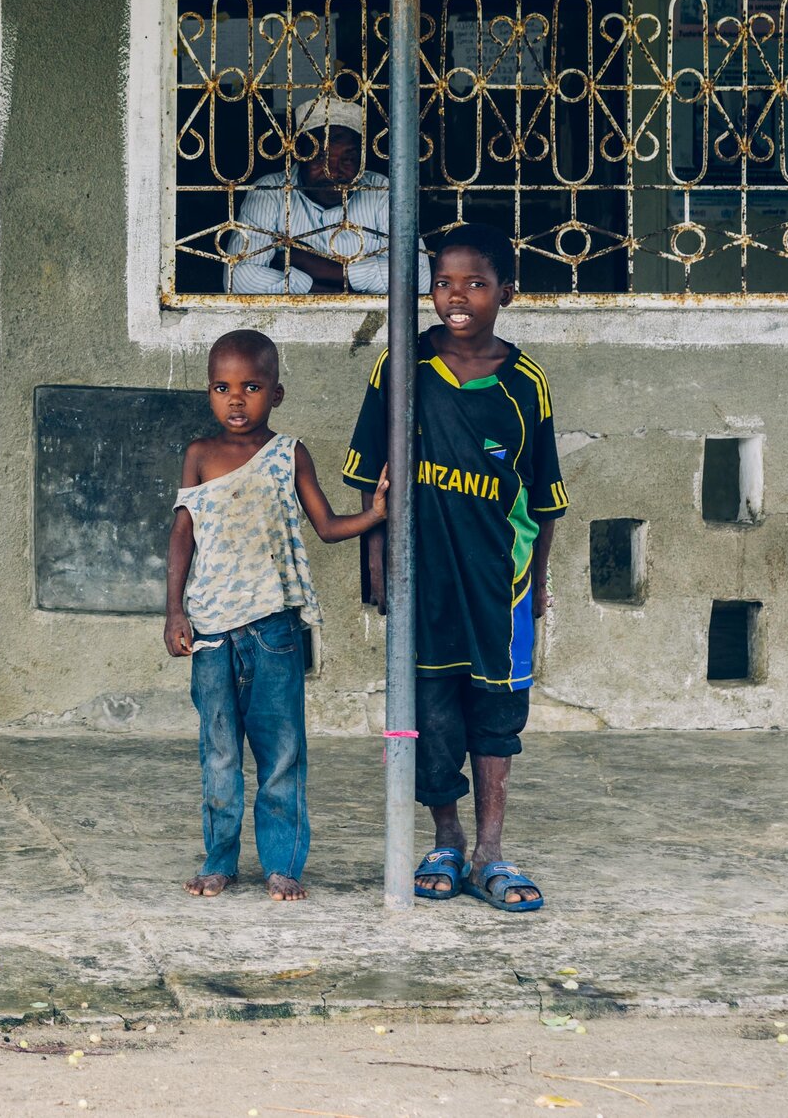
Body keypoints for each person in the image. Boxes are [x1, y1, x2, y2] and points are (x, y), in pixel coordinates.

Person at [343, 221, 567, 913]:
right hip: (424, 580)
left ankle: (490, 851)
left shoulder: (526, 384)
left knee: (495, 717)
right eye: (443, 283)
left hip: (501, 583)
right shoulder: (402, 367)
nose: (457, 296)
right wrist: (375, 564)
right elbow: (368, 477)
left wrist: (541, 583)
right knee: (430, 716)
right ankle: (445, 837)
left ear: (507, 291)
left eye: (475, 282)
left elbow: (546, 497)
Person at [163, 330, 387, 902]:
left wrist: (377, 513)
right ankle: (220, 861)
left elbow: (329, 526)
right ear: (208, 392)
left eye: (252, 387)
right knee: (218, 752)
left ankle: (283, 865)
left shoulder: (290, 453)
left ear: (277, 393)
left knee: (282, 751)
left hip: (273, 629)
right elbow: (181, 538)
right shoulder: (198, 455)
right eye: (222, 387)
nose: (236, 400)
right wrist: (174, 611)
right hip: (211, 632)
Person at [225, 97, 430, 296]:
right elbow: (238, 280)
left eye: (348, 159)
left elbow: (419, 278)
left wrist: (310, 264)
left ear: (362, 160)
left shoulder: (381, 191)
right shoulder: (270, 191)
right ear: (299, 155)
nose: (333, 172)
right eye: (320, 156)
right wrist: (327, 290)